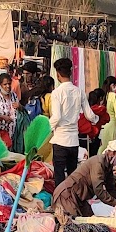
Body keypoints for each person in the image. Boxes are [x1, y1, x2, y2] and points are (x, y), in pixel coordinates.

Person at [51, 140, 116, 219]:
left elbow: (111, 188)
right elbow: (98, 190)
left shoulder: (107, 166)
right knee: (72, 222)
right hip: (67, 195)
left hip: (79, 198)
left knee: (89, 220)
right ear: (113, 153)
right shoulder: (98, 163)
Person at [48, 56, 82, 187]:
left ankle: (59, 202)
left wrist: (46, 129)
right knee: (72, 175)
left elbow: (56, 116)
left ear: (57, 74)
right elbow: (90, 115)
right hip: (74, 141)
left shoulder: (57, 93)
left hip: (60, 140)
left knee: (59, 175)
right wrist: (96, 120)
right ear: (70, 72)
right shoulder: (79, 91)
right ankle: (71, 201)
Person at [0, 69, 18, 146]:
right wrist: (3, 117)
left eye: (9, 83)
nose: (8, 86)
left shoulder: (14, 95)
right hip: (0, 135)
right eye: (5, 84)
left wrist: (20, 107)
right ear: (0, 85)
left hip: (14, 134)